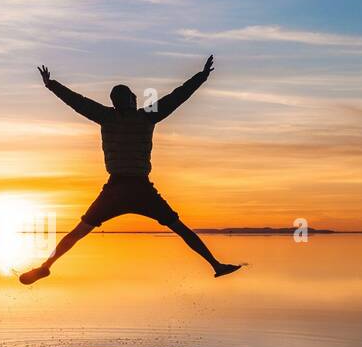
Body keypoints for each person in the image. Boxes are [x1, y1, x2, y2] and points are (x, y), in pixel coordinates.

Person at [20, 56, 242, 285]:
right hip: (140, 189)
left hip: (115, 189)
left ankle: (45, 266)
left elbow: (77, 102)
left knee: (78, 232)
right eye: (133, 97)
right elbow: (177, 97)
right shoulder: (148, 114)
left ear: (115, 102)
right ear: (131, 100)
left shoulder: (105, 115)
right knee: (180, 228)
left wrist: (51, 84)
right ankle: (216, 265)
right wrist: (201, 77)